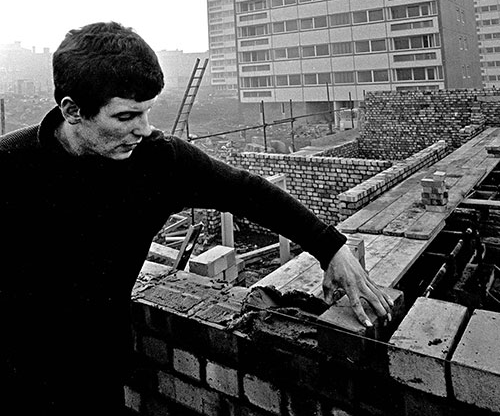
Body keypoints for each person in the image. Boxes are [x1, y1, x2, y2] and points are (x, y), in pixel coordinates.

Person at [1, 21, 392, 414]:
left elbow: (247, 191)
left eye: (147, 112)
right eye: (125, 117)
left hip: (98, 377)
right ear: (72, 110)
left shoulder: (158, 162)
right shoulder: (10, 166)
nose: (143, 129)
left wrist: (331, 248)